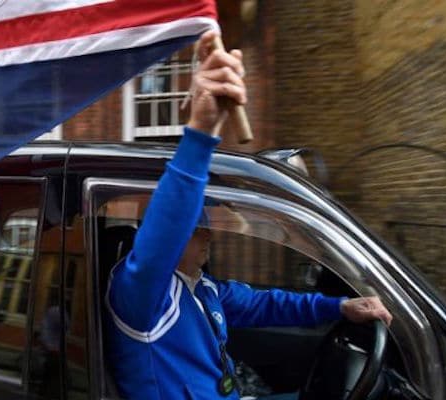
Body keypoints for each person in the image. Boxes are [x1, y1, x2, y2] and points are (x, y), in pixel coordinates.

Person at [104, 31, 393, 400]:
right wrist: (201, 133)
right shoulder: (141, 294)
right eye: (200, 227)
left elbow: (267, 303)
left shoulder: (203, 288)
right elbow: (169, 224)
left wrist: (340, 306)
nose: (210, 235)